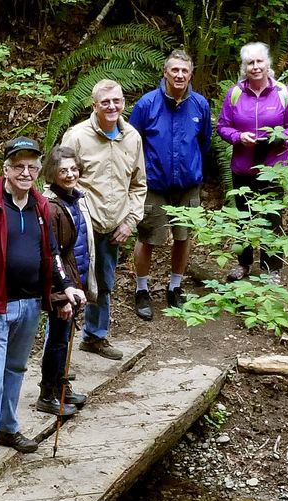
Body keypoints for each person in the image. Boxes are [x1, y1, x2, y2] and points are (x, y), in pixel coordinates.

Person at [0, 137, 87, 483]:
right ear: (6, 169)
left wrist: (65, 286)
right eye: (18, 166)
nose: (25, 172)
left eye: (32, 166)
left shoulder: (42, 206)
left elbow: (54, 253)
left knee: (14, 370)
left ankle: (6, 428)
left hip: (29, 303)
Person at [59, 79, 147, 360]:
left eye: (117, 101)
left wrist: (130, 221)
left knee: (104, 284)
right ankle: (59, 354)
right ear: (94, 105)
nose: (112, 107)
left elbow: (138, 185)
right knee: (69, 288)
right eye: (105, 102)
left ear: (124, 103)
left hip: (113, 229)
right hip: (79, 228)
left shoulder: (132, 137)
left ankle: (95, 337)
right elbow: (59, 181)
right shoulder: (76, 137)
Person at [128, 50, 212, 318]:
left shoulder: (200, 105)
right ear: (165, 72)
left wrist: (192, 169)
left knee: (183, 237)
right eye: (174, 70)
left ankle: (174, 287)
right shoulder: (147, 104)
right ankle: (142, 289)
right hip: (154, 184)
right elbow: (133, 142)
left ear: (191, 75)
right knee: (149, 237)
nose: (179, 75)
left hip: (188, 185)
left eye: (184, 71)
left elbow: (204, 143)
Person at [217, 42, 288, 285]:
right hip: (243, 166)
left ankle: (271, 268)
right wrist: (237, 137)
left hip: (273, 168)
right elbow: (223, 126)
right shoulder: (235, 93)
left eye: (259, 62)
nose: (255, 67)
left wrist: (279, 137)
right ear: (244, 67)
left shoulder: (282, 93)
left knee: (272, 218)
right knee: (244, 217)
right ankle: (243, 263)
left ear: (268, 64)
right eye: (250, 63)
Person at [37, 145, 95, 419]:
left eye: (73, 169)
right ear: (52, 174)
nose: (70, 174)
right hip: (62, 286)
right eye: (63, 171)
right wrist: (62, 294)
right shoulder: (52, 208)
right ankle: (47, 393)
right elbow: (52, 255)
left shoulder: (75, 200)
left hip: (76, 279)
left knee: (64, 338)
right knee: (58, 340)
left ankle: (61, 385)